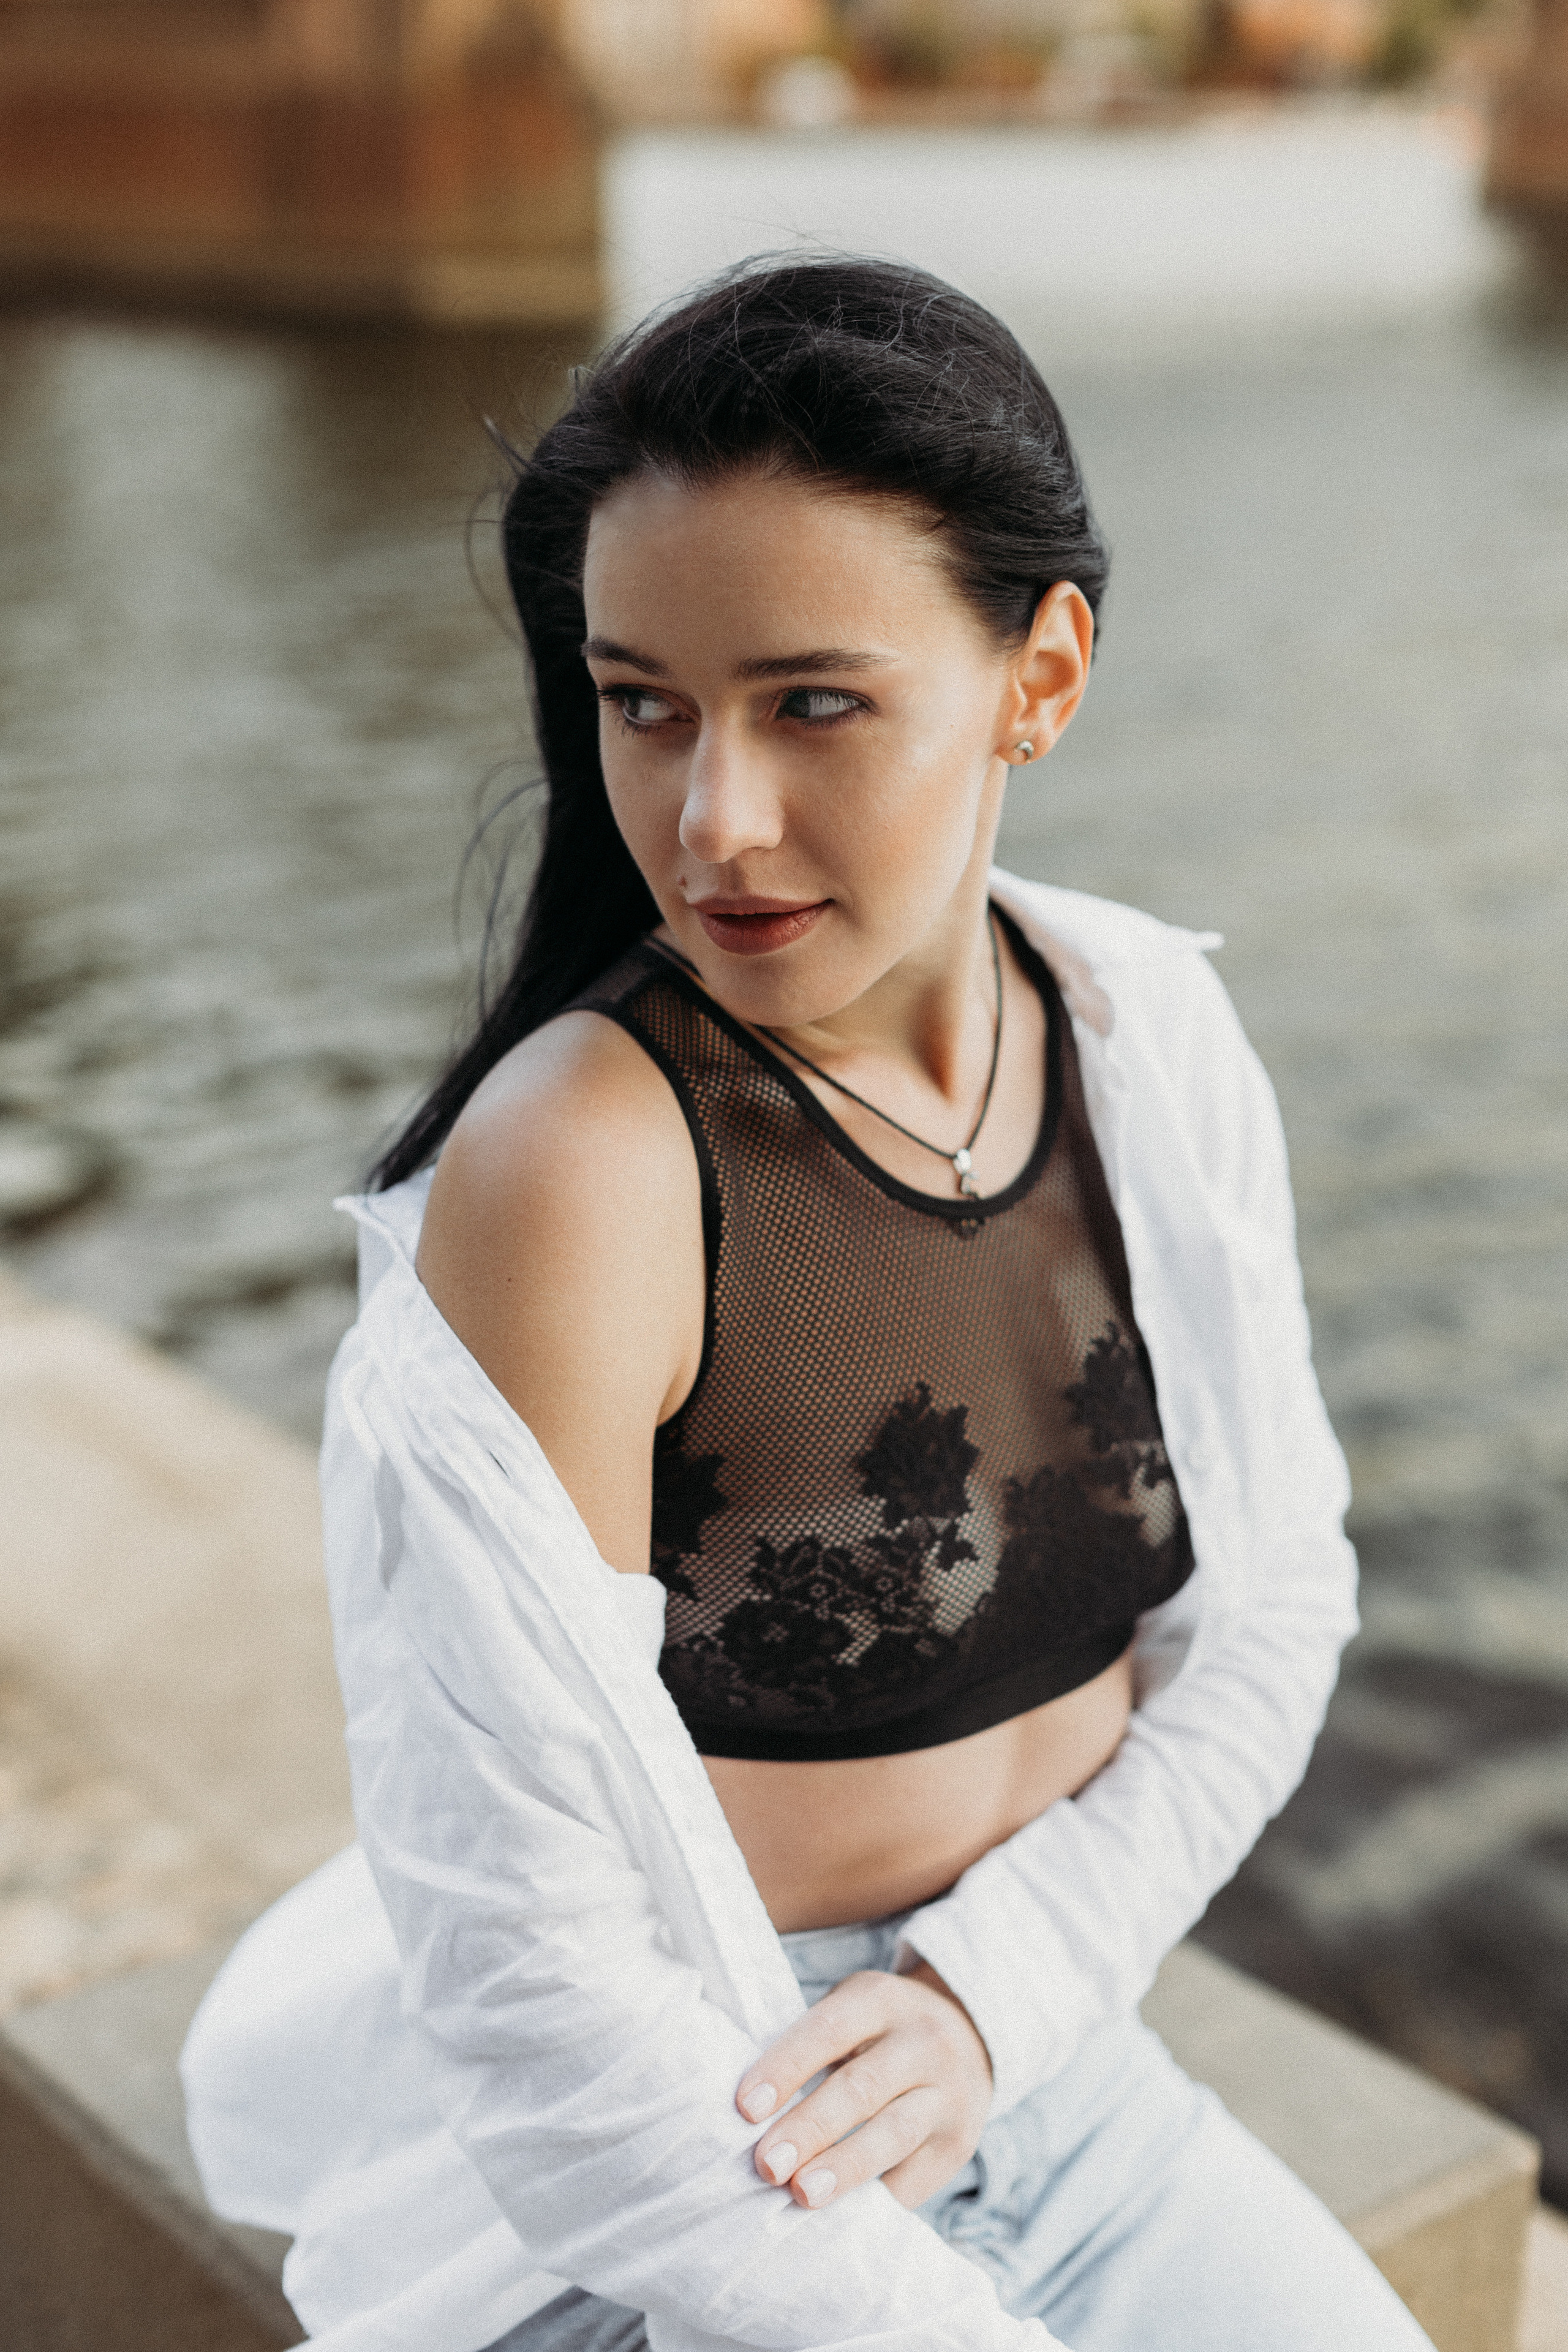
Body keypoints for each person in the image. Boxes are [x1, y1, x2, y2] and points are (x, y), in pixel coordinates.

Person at [181, 257, 1436, 2352]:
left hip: (1045, 2044)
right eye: (640, 700)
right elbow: (535, 1989)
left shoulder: (1148, 1037)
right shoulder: (586, 1166)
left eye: (813, 703)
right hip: (683, 2166)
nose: (707, 822)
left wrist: (996, 1993)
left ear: (1042, 676)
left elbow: (1277, 1610)